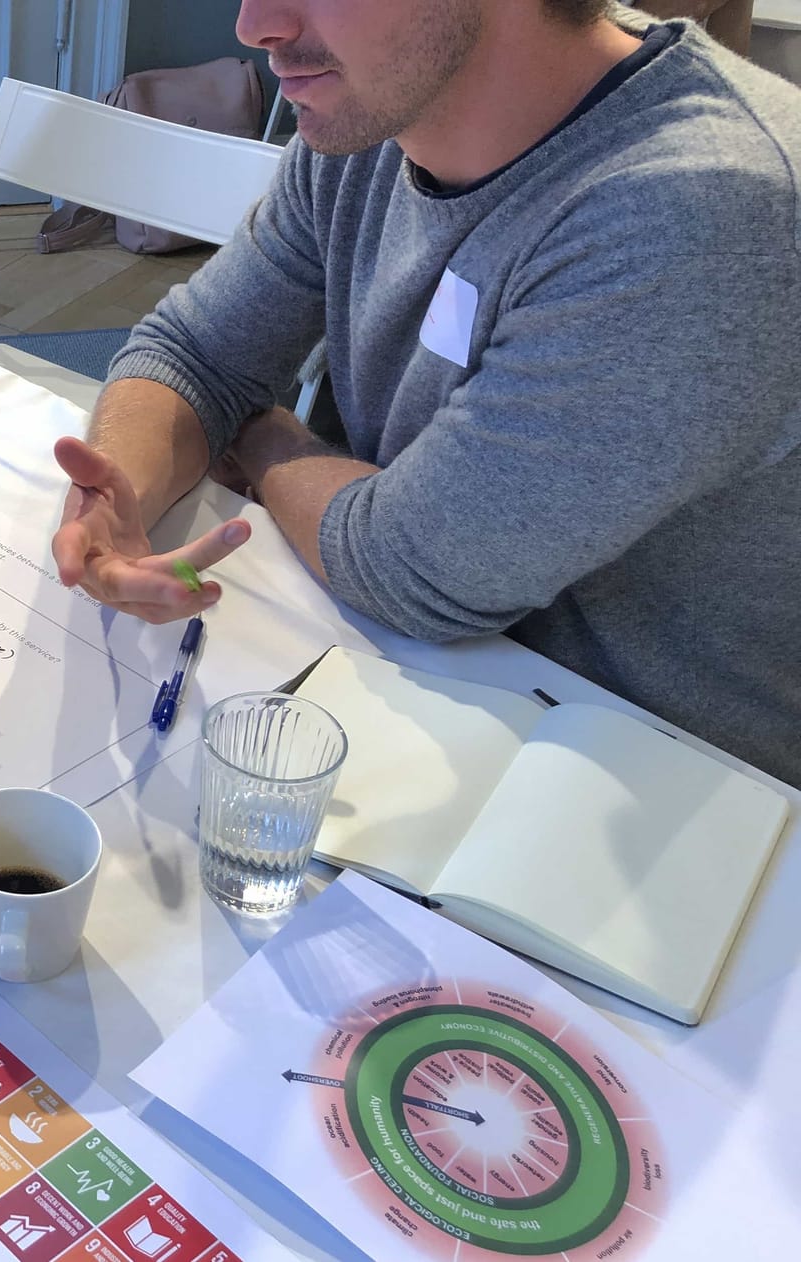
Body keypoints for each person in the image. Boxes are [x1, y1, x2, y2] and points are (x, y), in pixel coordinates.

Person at [50, 0, 801, 785]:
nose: (254, 26)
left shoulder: (697, 208)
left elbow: (410, 569)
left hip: (667, 792)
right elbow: (195, 352)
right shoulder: (375, 113)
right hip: (436, 692)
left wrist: (264, 438)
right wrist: (115, 497)